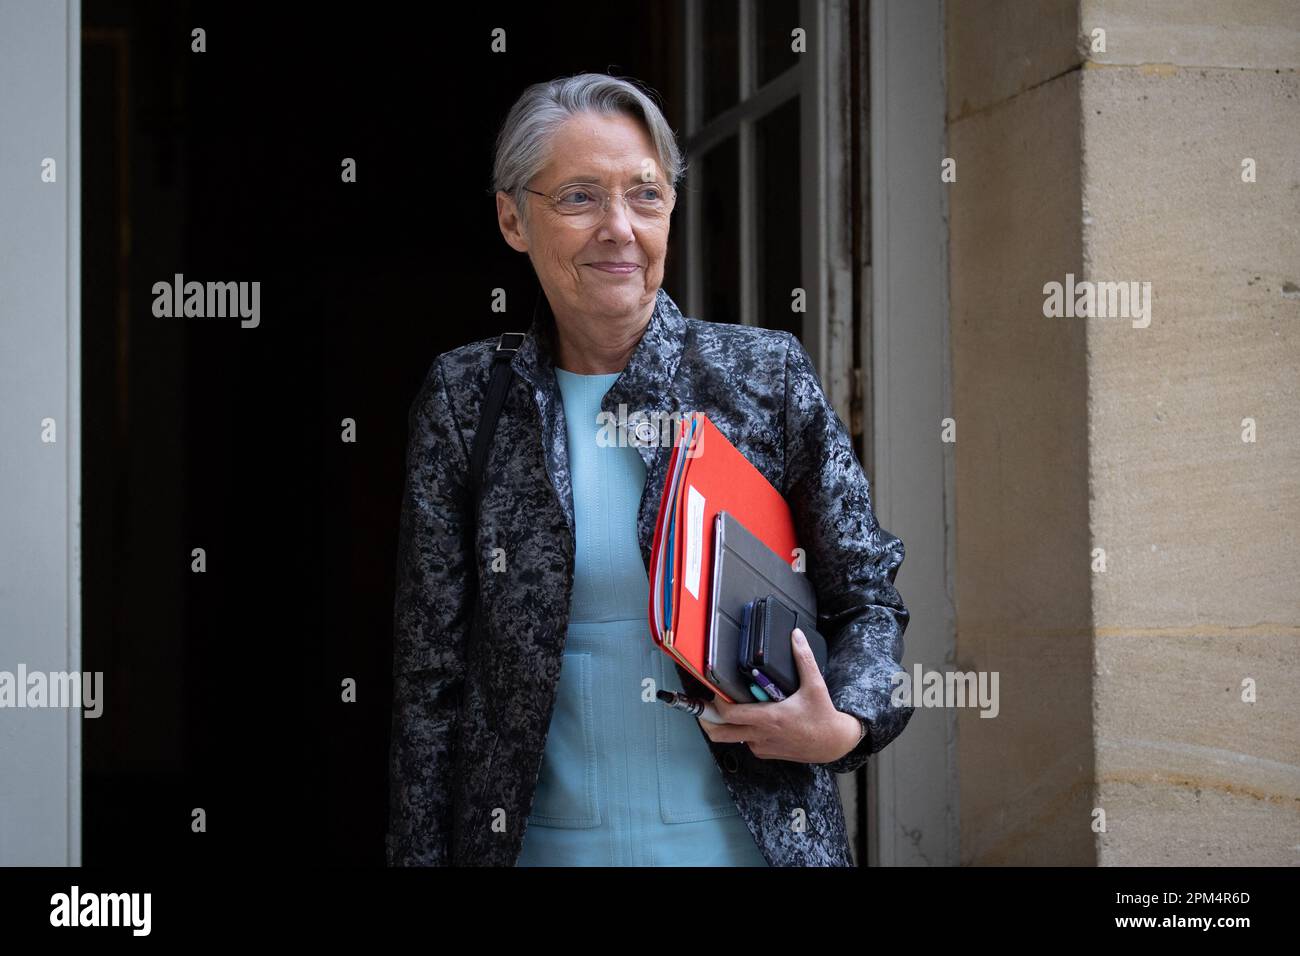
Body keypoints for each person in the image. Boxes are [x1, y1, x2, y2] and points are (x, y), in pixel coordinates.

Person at [386, 72, 914, 867]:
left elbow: (866, 596)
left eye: (645, 194)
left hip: (744, 850)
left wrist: (843, 723)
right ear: (512, 218)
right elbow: (430, 683)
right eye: (579, 198)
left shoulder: (762, 378)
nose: (619, 228)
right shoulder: (468, 400)